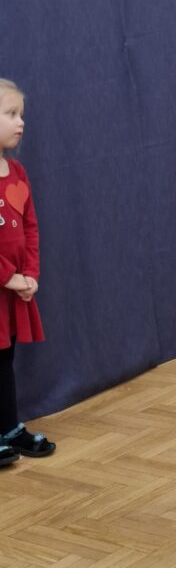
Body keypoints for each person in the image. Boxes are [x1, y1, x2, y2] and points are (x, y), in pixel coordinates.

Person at [0, 78, 55, 466]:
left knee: (5, 359)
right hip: (5, 283)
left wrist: (30, 274)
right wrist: (8, 276)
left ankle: (8, 427)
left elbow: (30, 227)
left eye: (21, 114)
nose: (21, 122)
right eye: (11, 114)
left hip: (15, 289)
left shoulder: (17, 172)